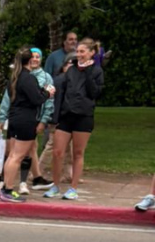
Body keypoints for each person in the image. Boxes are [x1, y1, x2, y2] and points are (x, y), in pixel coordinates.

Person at [43, 38, 104, 201]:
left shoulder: (97, 71)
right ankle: (55, 186)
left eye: (82, 51)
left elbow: (94, 93)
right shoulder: (71, 70)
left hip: (84, 117)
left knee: (78, 153)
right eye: (77, 51)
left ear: (91, 53)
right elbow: (61, 90)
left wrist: (88, 71)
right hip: (66, 115)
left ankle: (73, 188)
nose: (79, 54)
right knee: (57, 152)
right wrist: (55, 116)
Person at [0, 48, 55, 195]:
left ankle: (6, 187)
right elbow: (36, 99)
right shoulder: (28, 78)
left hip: (14, 118)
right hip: (26, 119)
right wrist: (48, 93)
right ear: (29, 61)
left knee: (12, 155)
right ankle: (8, 190)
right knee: (18, 156)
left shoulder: (15, 77)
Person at [37, 52, 76, 183]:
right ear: (64, 66)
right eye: (70, 64)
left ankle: (68, 173)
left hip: (67, 118)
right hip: (58, 119)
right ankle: (38, 172)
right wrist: (54, 119)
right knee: (52, 145)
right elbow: (56, 102)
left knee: (69, 148)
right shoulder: (60, 81)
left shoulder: (71, 81)